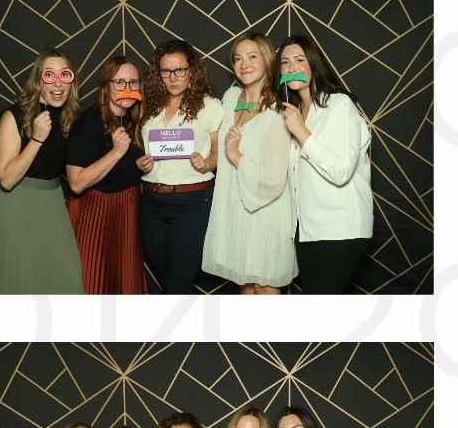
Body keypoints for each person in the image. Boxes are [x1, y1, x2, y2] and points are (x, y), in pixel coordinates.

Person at [0, 49, 84, 294]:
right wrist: (37, 139)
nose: (57, 83)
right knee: (20, 280)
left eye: (64, 75)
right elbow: (6, 179)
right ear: (38, 80)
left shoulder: (69, 118)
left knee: (64, 279)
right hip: (15, 204)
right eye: (49, 75)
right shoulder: (15, 115)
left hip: (51, 201)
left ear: (72, 81)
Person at [278, 32, 373, 293]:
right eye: (285, 62)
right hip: (306, 231)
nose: (292, 68)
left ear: (314, 64)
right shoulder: (294, 113)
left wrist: (301, 132)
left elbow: (341, 171)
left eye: (299, 60)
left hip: (340, 230)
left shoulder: (339, 105)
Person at [202, 31, 296, 294]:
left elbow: (273, 181)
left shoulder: (278, 110)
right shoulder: (231, 98)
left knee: (264, 287)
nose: (244, 64)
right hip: (234, 208)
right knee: (244, 283)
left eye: (252, 57)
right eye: (238, 58)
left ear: (267, 60)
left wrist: (236, 156)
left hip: (266, 212)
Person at [139, 39, 223, 293]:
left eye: (180, 70)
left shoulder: (210, 107)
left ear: (192, 70)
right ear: (159, 73)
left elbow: (219, 153)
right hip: (151, 202)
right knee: (166, 280)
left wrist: (205, 163)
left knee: (177, 285)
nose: (173, 77)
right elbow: (142, 149)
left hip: (191, 203)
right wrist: (142, 163)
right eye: (166, 71)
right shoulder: (149, 106)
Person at [66, 54, 147, 293]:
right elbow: (76, 183)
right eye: (119, 82)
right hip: (94, 211)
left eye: (133, 82)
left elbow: (127, 168)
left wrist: (143, 165)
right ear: (106, 87)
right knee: (93, 279)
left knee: (125, 280)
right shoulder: (88, 122)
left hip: (128, 209)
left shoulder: (137, 121)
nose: (127, 88)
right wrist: (116, 152)